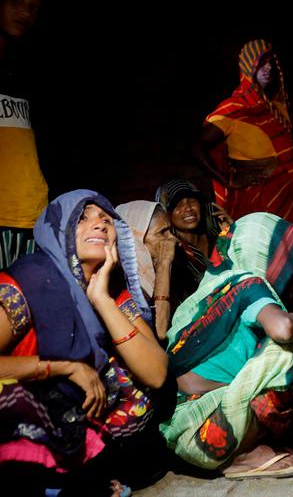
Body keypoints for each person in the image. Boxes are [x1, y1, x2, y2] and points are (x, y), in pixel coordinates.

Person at [0, 190, 168, 494]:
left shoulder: (114, 292)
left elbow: (155, 374)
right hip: (29, 426)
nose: (100, 224)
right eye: (82, 218)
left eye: (106, 219)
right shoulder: (30, 281)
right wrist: (64, 368)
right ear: (58, 232)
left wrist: (102, 300)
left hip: (84, 428)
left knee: (136, 394)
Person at [160, 213, 293, 476]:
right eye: (283, 254)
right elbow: (284, 328)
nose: (290, 266)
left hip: (185, 437)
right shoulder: (249, 284)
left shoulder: (199, 300)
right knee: (289, 353)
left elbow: (185, 382)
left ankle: (250, 444)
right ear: (263, 251)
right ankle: (246, 454)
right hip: (213, 436)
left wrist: (240, 387)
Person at [194, 39, 293, 230]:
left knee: (290, 255)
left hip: (288, 195)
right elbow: (196, 148)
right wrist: (226, 180)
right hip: (257, 199)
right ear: (248, 67)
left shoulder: (278, 106)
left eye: (271, 62)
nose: (268, 68)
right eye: (261, 63)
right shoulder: (234, 109)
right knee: (261, 252)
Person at [0, 0, 46, 270]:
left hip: (30, 212)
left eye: (33, 7)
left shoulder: (23, 74)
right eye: (16, 0)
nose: (25, 13)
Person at [116, 201, 179, 341]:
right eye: (162, 232)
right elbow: (160, 332)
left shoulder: (172, 266)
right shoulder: (123, 286)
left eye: (170, 230)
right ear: (136, 240)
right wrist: (164, 265)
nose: (172, 238)